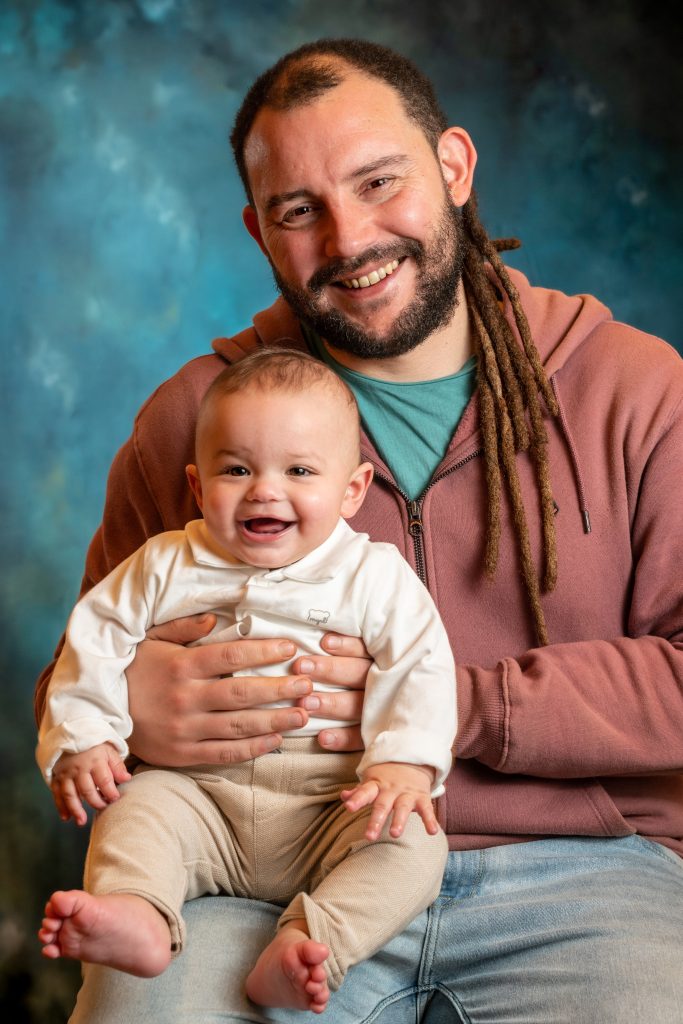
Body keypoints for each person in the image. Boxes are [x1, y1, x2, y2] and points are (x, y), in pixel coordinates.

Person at [35, 36, 683, 1024]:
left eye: (379, 182)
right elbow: (78, 669)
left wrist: (448, 708)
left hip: (584, 867)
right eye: (300, 211)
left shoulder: (634, 389)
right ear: (259, 231)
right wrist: (133, 702)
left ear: (453, 167)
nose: (348, 237)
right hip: (254, 870)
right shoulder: (195, 418)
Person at [36, 348, 455, 1013]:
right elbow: (95, 640)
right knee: (137, 810)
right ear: (200, 489)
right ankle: (141, 913)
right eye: (237, 469)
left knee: (414, 844)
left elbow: (420, 666)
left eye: (298, 471)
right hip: (202, 797)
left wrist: (403, 764)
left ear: (351, 490)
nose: (264, 489)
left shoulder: (372, 575)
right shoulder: (167, 562)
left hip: (331, 806)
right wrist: (87, 737)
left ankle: (309, 941)